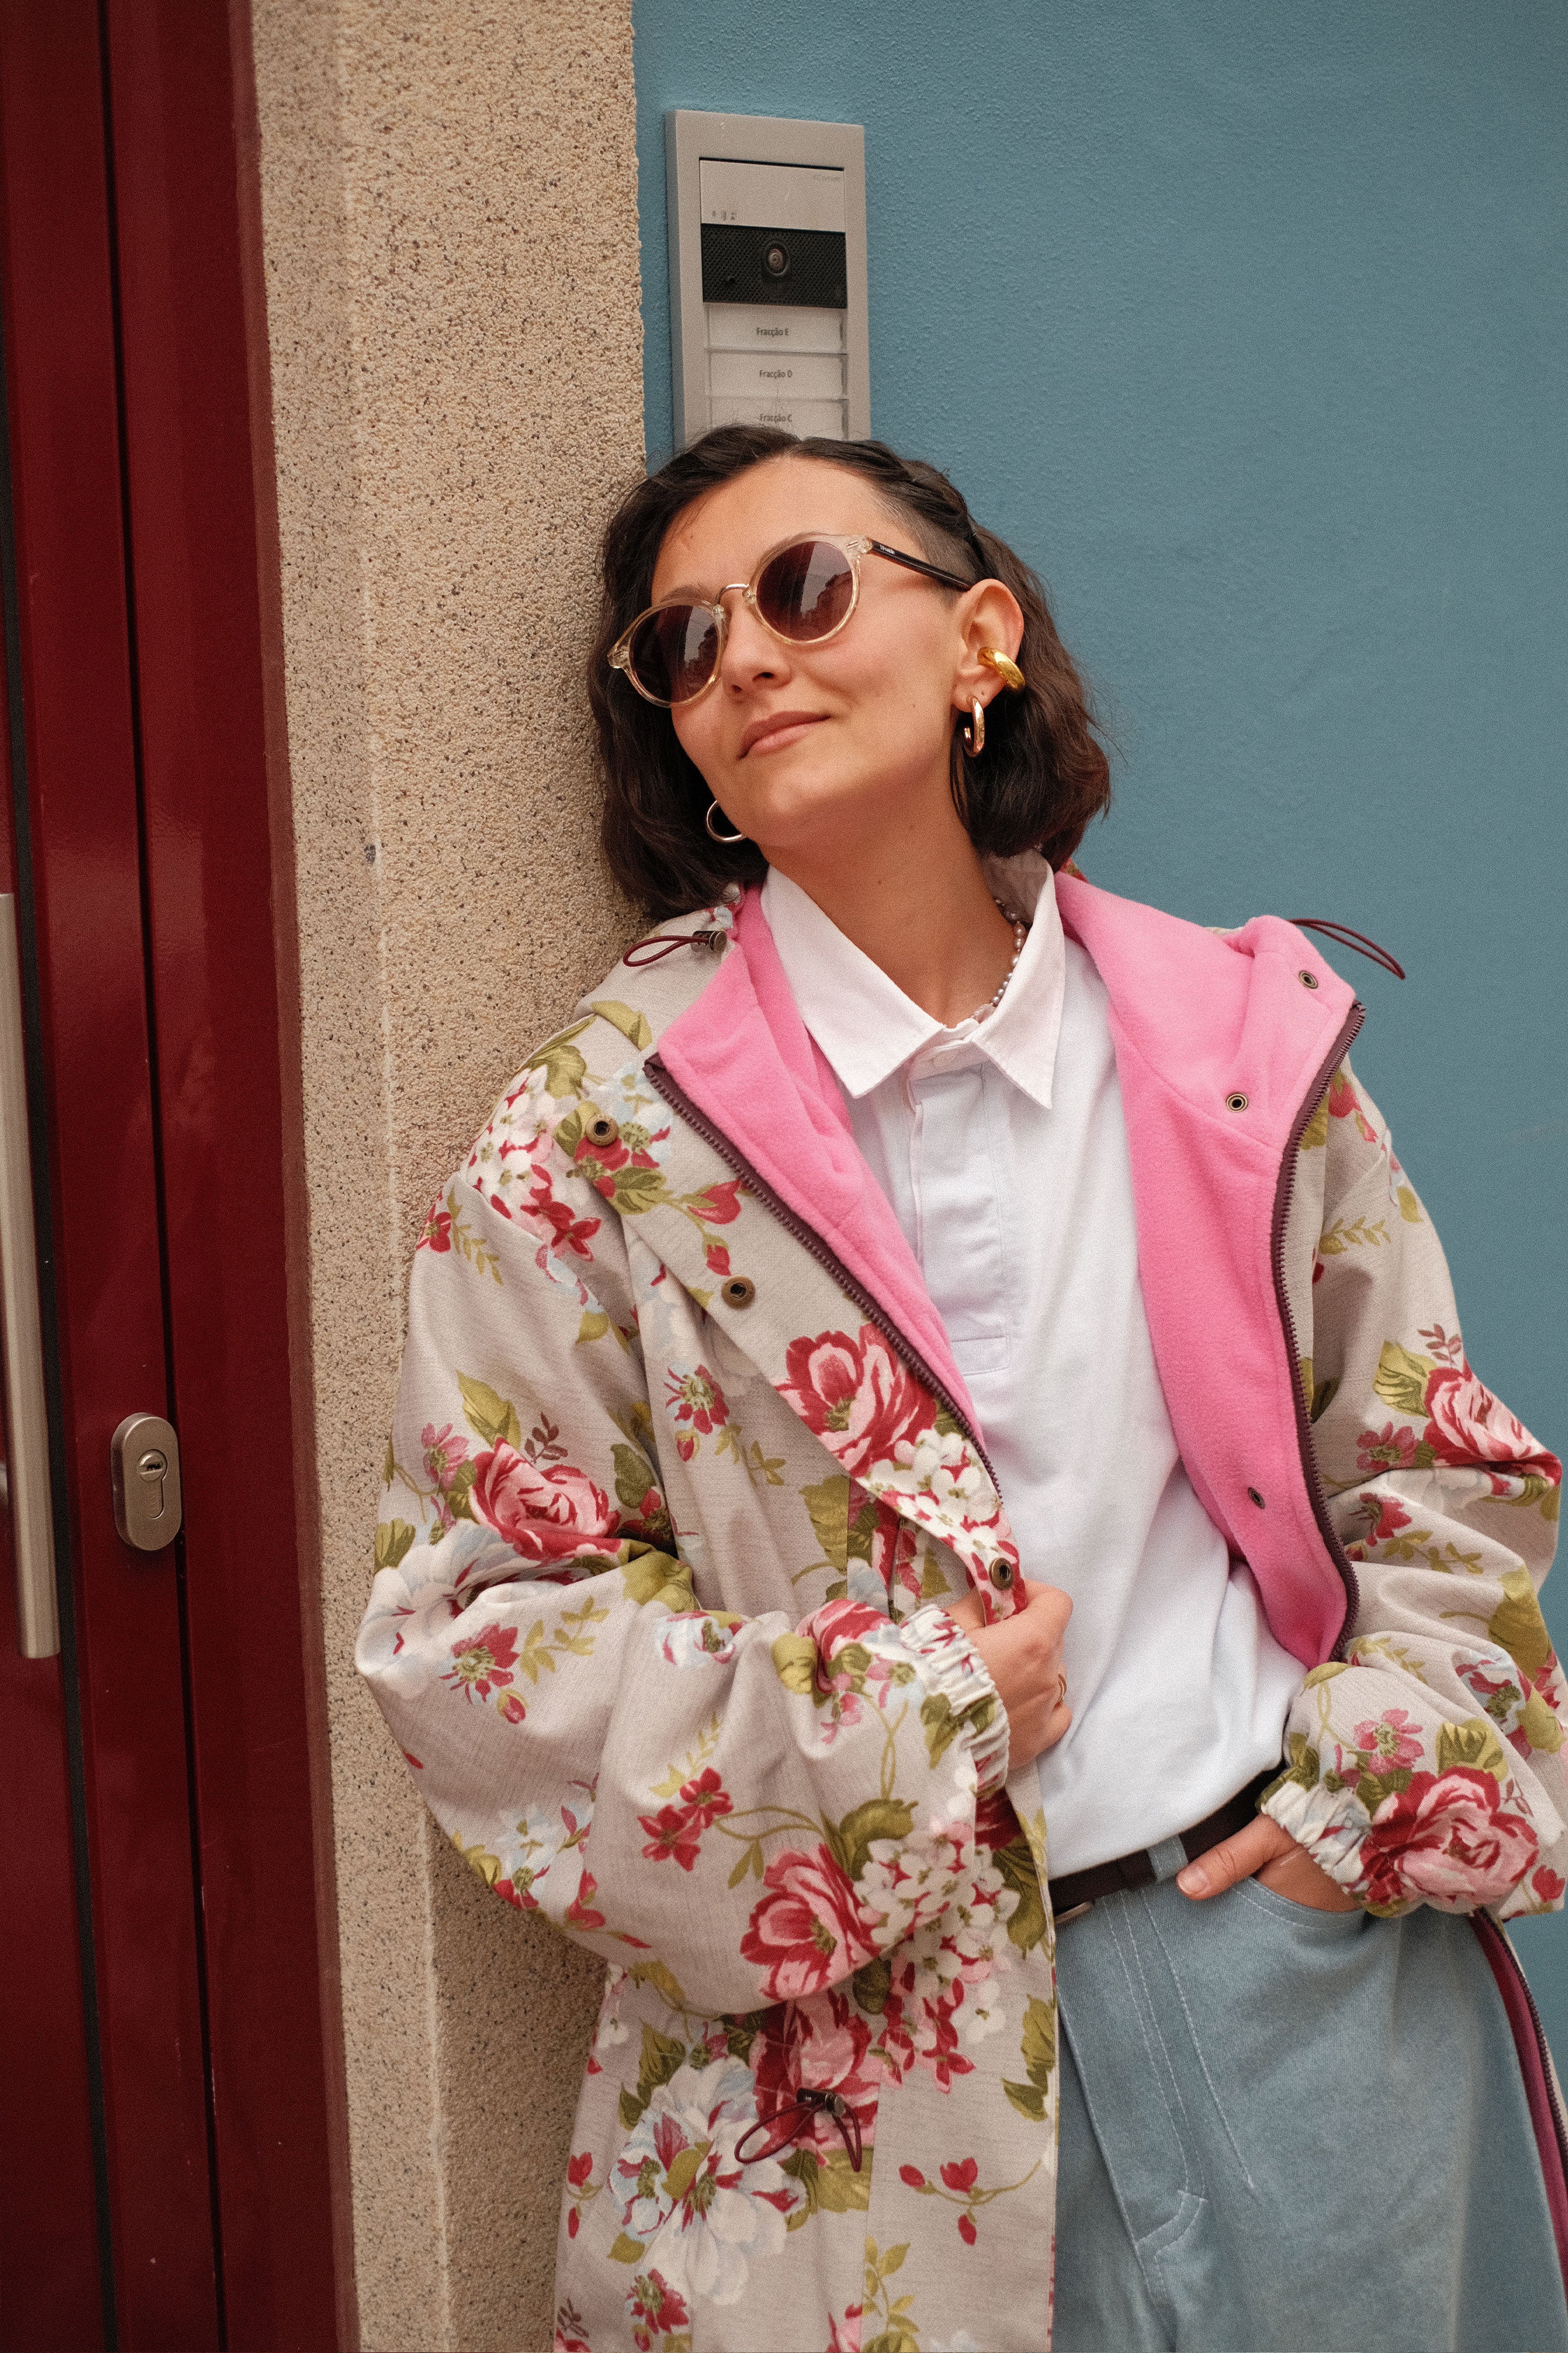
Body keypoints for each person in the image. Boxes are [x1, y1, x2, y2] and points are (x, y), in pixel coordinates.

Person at [358, 426, 1568, 2353]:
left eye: (803, 590)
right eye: (683, 645)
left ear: (977, 638)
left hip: (1301, 1993)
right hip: (849, 2087)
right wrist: (901, 1722)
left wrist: (1363, 1795)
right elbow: (471, 1641)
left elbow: (1434, 1464)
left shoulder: (1233, 1047)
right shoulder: (591, 1141)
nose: (745, 660)